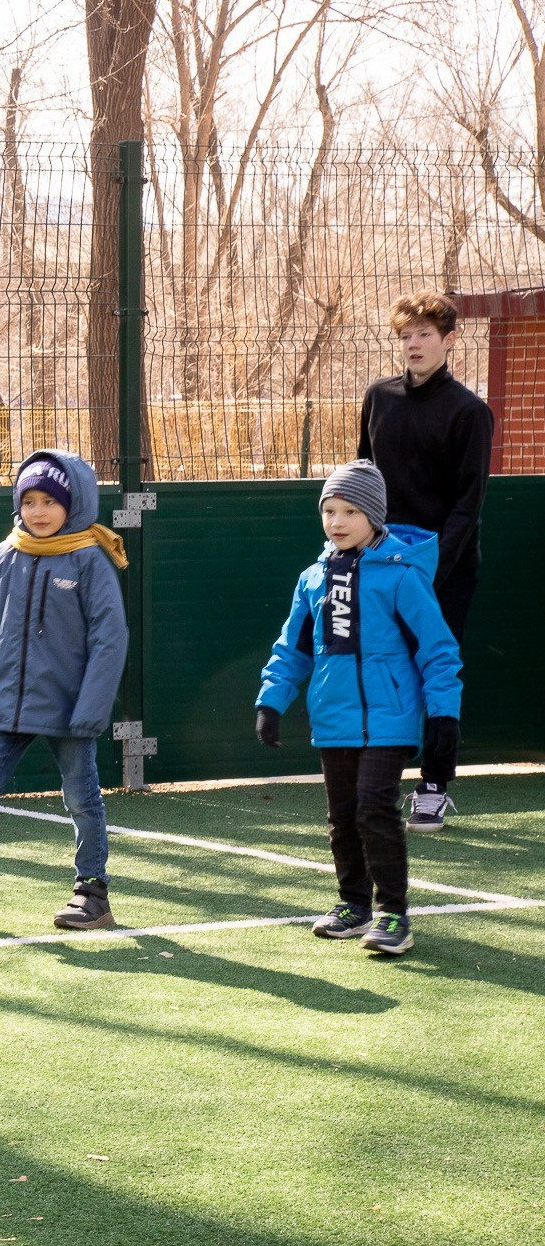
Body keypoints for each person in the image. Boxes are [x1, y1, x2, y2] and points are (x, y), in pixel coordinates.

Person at [255, 460, 461, 957]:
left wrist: (443, 714)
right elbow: (294, 647)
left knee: (374, 809)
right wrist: (272, 700)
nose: (338, 521)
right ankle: (353, 904)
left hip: (390, 718)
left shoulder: (401, 576)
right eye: (329, 510)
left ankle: (394, 913)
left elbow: (437, 650)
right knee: (342, 817)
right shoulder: (312, 578)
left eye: (350, 510)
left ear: (373, 516)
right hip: (333, 718)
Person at [0, 450, 129, 932]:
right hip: (6, 706)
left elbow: (109, 637)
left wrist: (92, 707)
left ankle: (92, 894)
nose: (38, 511)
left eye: (50, 501)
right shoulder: (4, 555)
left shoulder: (89, 561)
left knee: (81, 797)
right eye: (29, 500)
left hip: (72, 708)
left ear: (73, 505)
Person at [357, 291, 494, 831]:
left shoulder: (470, 412)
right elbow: (363, 479)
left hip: (444, 568)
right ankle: (382, 780)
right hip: (381, 563)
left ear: (448, 340)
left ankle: (434, 785)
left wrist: (430, 566)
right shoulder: (378, 397)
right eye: (406, 335)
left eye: (425, 335)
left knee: (435, 673)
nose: (413, 344)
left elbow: (469, 503)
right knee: (384, 671)